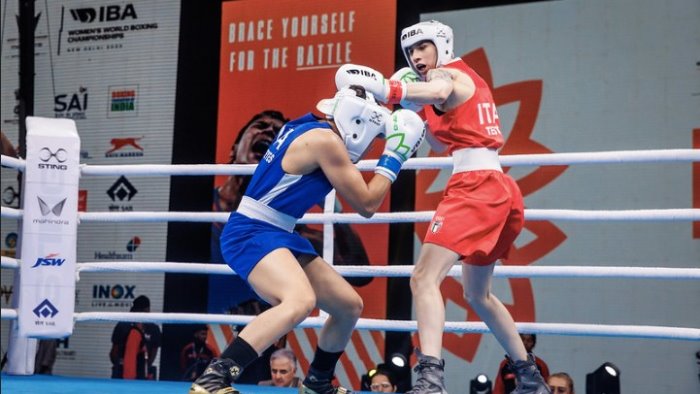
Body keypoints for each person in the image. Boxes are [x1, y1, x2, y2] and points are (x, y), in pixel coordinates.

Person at [335, 20, 550, 394]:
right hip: (495, 188)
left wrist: (389, 88)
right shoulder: (458, 89)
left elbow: (437, 87)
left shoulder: (451, 75)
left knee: (422, 279)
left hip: (477, 188)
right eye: (411, 52)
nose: (417, 56)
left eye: (423, 47)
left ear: (442, 46)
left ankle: (430, 380)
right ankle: (530, 379)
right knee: (476, 295)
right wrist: (397, 111)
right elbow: (436, 141)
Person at [189, 85, 425, 394]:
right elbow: (368, 204)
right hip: (252, 230)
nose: (372, 141)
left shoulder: (305, 125)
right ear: (358, 122)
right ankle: (214, 379)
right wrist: (395, 155)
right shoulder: (326, 141)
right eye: (375, 132)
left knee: (348, 305)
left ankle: (317, 382)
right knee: (299, 301)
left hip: (278, 232)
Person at [110, 295, 162, 380]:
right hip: (122, 374)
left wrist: (143, 367)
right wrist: (121, 366)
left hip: (142, 376)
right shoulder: (123, 326)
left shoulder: (153, 329)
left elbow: (153, 354)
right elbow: (113, 353)